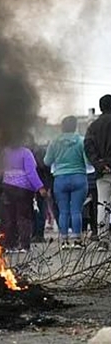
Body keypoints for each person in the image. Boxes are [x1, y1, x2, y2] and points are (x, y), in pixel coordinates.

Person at [44, 116, 89, 249]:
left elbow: (47, 161)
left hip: (60, 179)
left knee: (63, 211)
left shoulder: (54, 142)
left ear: (62, 127)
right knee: (76, 211)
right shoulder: (81, 141)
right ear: (75, 126)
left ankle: (64, 241)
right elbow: (87, 161)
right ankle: (77, 240)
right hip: (79, 177)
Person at [1, 139, 47, 253]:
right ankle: (24, 245)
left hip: (7, 186)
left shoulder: (5, 153)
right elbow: (31, 173)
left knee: (10, 217)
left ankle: (9, 245)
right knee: (24, 217)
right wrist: (40, 187)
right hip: (23, 189)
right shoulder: (25, 153)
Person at [85, 94, 111, 250]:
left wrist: (100, 164)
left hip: (102, 173)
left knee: (102, 204)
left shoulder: (93, 127)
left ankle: (103, 240)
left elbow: (88, 147)